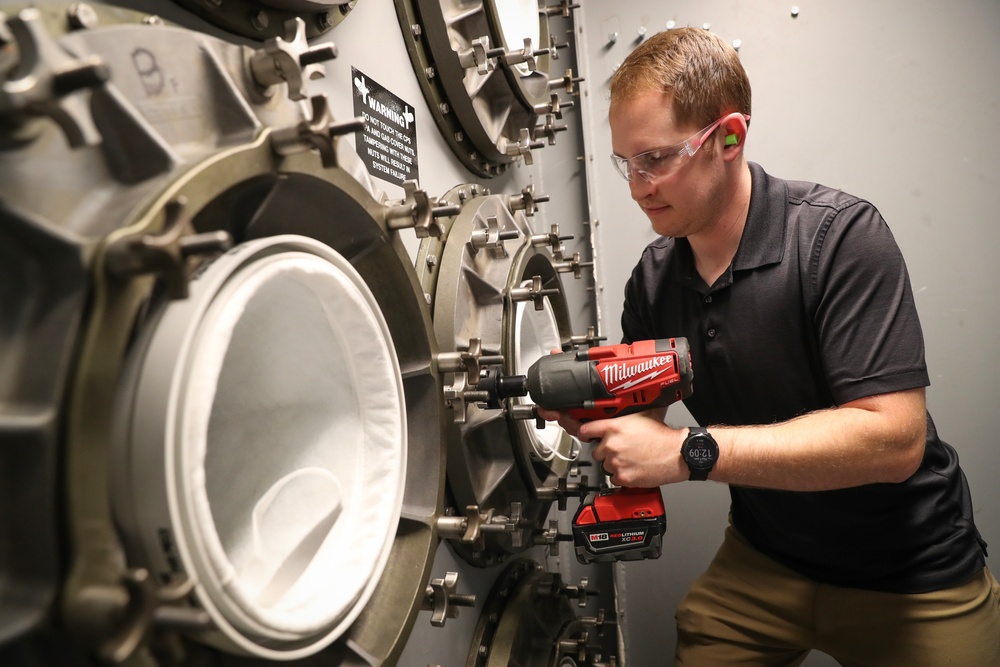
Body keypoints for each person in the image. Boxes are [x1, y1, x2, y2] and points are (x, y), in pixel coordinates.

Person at [539, 27, 1000, 666]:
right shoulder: (654, 279)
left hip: (910, 569)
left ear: (729, 137)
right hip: (765, 558)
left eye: (657, 158)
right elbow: (642, 421)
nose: (638, 185)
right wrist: (591, 412)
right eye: (627, 162)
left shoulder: (839, 240)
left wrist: (688, 451)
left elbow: (895, 441)